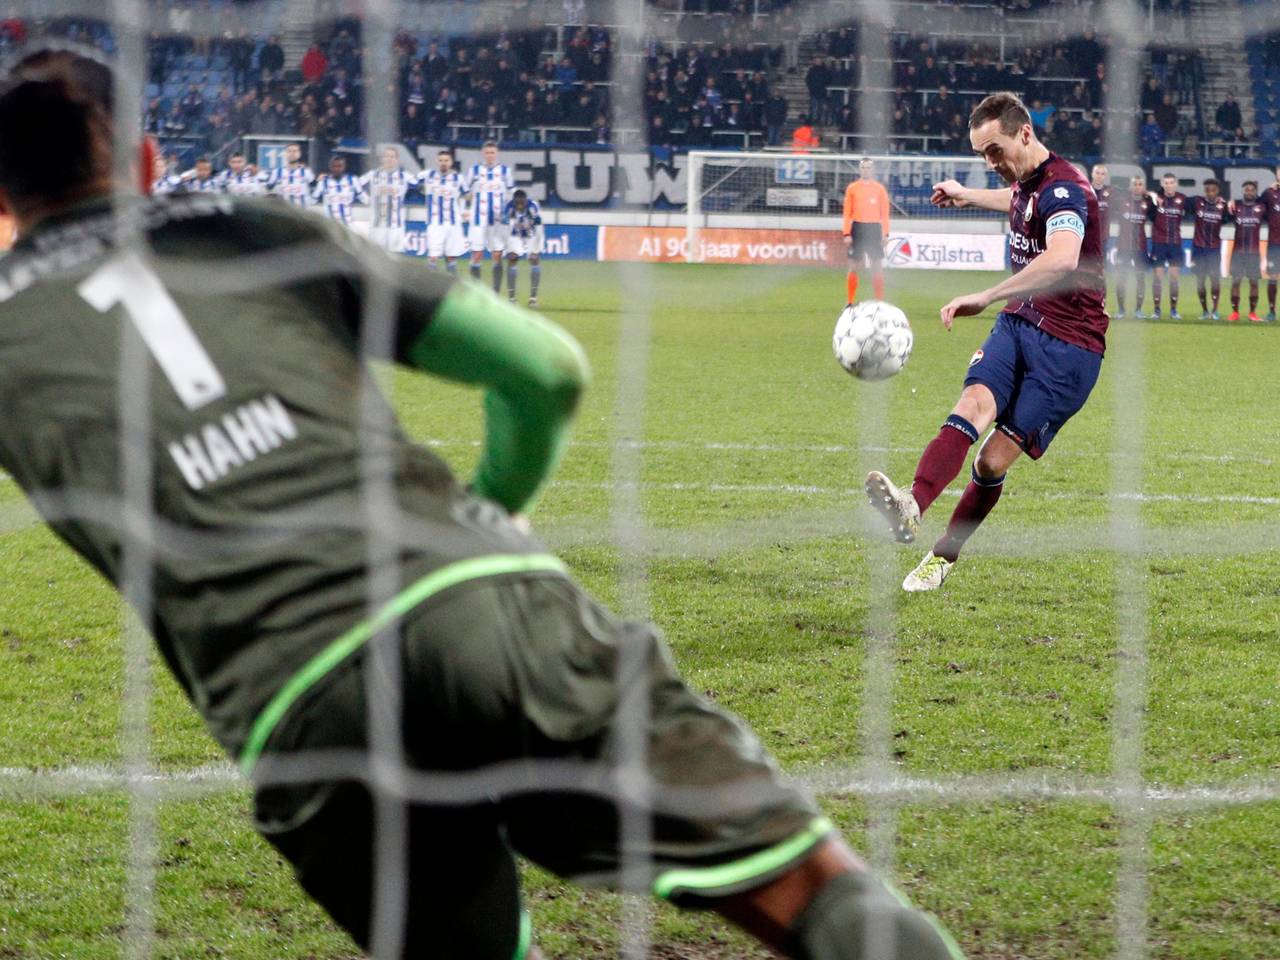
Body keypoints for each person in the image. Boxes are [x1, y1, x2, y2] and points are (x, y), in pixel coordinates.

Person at [0, 49, 965, 960]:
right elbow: (546, 369)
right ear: (145, 158)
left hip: (299, 702)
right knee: (815, 894)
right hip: (478, 595)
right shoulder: (248, 224)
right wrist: (493, 509)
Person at [867, 92, 1106, 592]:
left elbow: (1063, 258)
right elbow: (1018, 199)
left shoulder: (1067, 189)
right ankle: (912, 504)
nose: (990, 163)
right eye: (981, 155)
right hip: (1020, 323)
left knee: (990, 461)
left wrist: (987, 294)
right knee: (972, 402)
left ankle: (942, 558)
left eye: (994, 151)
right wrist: (967, 193)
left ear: (1025, 133)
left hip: (1069, 347)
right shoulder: (1028, 182)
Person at [462, 139, 514, 292]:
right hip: (478, 219)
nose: (490, 155)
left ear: (497, 154)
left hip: (498, 221)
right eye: (487, 153)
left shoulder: (505, 171)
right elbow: (465, 192)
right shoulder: (474, 171)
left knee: (497, 254)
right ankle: (476, 291)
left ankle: (495, 292)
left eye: (492, 152)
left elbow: (511, 193)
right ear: (483, 154)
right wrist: (465, 209)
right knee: (477, 254)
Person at [841, 157, 890, 305]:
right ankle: (850, 302)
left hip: (874, 228)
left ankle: (879, 302)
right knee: (853, 266)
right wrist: (846, 233)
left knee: (876, 266)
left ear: (873, 170)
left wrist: (886, 233)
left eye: (868, 167)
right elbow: (847, 212)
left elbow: (885, 213)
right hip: (858, 228)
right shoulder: (852, 188)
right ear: (859, 169)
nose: (866, 170)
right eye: (863, 167)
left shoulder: (879, 189)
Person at [362, 145, 418, 257]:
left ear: (397, 160)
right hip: (377, 222)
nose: (389, 159)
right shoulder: (373, 175)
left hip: (396, 223)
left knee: (396, 254)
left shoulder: (405, 176)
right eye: (386, 156)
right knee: (376, 253)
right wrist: (366, 200)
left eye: (392, 157)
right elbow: (356, 186)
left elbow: (419, 186)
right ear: (382, 159)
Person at [1147, 172, 1187, 319]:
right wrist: (1150, 193)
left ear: (1175, 184)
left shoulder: (1183, 199)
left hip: (1175, 243)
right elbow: (1138, 192)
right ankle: (1157, 310)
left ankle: (1173, 310)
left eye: (1171, 182)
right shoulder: (1156, 199)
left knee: (1174, 277)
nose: (1169, 185)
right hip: (1159, 243)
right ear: (1162, 184)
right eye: (1166, 183)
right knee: (1157, 277)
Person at [420, 148, 467, 273]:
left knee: (451, 257)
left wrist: (467, 210)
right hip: (435, 222)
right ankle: (431, 288)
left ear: (451, 162)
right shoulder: (427, 175)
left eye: (446, 160)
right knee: (433, 256)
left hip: (453, 223)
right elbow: (411, 182)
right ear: (437, 161)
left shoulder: (459, 178)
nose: (443, 163)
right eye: (441, 160)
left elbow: (468, 194)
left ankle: (452, 284)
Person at [1188, 178, 1229, 320]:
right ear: (1204, 191)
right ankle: (1205, 310)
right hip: (1198, 248)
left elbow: (1229, 217)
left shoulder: (1223, 206)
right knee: (1200, 280)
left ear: (1217, 191)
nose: (1210, 193)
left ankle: (1215, 310)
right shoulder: (1196, 202)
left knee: (1214, 279)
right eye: (1208, 190)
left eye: (1213, 190)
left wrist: (1232, 203)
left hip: (1214, 248)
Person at [1115, 175, 1154, 320]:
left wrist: (1155, 196)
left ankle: (1138, 310)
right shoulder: (1121, 201)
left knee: (1140, 278)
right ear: (1130, 187)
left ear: (1143, 187)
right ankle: (1121, 310)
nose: (1137, 186)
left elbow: (1157, 217)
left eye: (1140, 184)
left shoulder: (1148, 203)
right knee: (1121, 278)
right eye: (1135, 184)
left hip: (1140, 247)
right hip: (1123, 247)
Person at [1226, 180, 1266, 322]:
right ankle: (1235, 313)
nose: (1249, 192)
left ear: (1255, 192)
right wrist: (1227, 204)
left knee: (1254, 283)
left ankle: (1252, 313)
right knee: (1236, 282)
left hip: (1254, 253)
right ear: (1243, 191)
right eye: (1246, 190)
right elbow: (1224, 214)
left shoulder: (1262, 207)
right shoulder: (1235, 207)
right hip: (1238, 252)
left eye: (1251, 190)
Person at [502, 188, 543, 306]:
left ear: (525, 200)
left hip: (531, 235)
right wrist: (508, 247)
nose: (520, 205)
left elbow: (539, 228)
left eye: (522, 203)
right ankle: (512, 299)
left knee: (534, 259)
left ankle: (533, 299)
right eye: (517, 203)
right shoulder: (509, 207)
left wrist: (536, 249)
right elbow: (505, 229)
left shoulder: (533, 206)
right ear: (514, 201)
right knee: (512, 258)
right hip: (515, 235)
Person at [311, 154, 368, 227]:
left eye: (339, 166)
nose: (337, 169)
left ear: (344, 167)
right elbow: (312, 200)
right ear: (330, 167)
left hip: (348, 225)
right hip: (331, 226)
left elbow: (364, 198)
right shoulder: (323, 182)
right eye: (334, 166)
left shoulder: (353, 180)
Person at [1257, 164, 1280, 320]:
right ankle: (1272, 312)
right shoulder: (1269, 193)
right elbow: (1255, 207)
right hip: (1275, 243)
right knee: (1273, 277)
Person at [266, 141, 314, 209]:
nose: (292, 154)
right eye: (289, 151)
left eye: (295, 151)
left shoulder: (306, 172)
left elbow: (315, 189)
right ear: (285, 154)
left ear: (299, 154)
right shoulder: (277, 172)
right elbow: (268, 189)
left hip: (302, 213)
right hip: (283, 213)